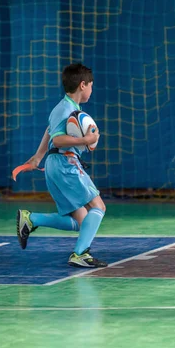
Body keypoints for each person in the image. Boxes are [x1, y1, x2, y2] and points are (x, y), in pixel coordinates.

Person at [16, 63, 107, 268]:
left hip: (56, 164)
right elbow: (57, 140)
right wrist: (86, 140)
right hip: (66, 164)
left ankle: (32, 219)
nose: (92, 89)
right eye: (91, 85)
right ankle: (80, 254)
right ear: (82, 85)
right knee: (98, 206)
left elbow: (50, 131)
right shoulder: (65, 108)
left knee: (81, 221)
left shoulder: (70, 109)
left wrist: (37, 158)